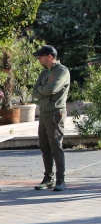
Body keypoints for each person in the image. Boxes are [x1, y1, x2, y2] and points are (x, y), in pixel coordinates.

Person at [31, 45, 70, 192]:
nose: (38, 59)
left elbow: (52, 89)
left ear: (49, 56)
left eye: (40, 56)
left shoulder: (62, 71)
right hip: (44, 114)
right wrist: (43, 91)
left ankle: (61, 179)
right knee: (45, 147)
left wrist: (42, 91)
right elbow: (34, 92)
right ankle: (48, 178)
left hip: (55, 113)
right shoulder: (44, 73)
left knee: (56, 147)